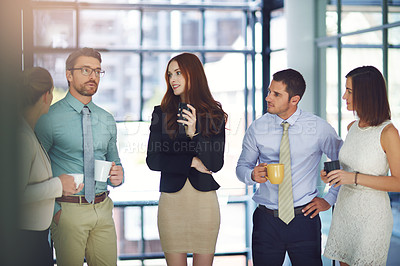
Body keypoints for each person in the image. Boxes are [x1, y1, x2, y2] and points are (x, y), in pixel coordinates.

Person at [236, 68, 343, 265]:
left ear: (294, 99)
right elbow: (242, 166)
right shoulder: (257, 128)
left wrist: (329, 199)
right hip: (266, 221)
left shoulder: (319, 128)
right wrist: (251, 175)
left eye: (276, 94)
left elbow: (341, 165)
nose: (268, 97)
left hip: (305, 219)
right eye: (269, 91)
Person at [35, 48, 124, 266]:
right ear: (69, 74)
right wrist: (57, 213)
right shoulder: (49, 118)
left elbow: (116, 163)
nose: (92, 76)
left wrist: (119, 175)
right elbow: (35, 170)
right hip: (68, 211)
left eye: (97, 71)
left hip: (103, 210)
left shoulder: (106, 119)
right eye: (85, 70)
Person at [146, 52, 227, 266]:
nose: (173, 79)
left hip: (204, 203)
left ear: (194, 74)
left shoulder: (215, 114)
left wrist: (194, 133)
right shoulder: (160, 113)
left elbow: (215, 164)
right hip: (171, 202)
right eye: (170, 74)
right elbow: (153, 160)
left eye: (179, 73)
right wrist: (191, 162)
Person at [322, 66, 400, 266]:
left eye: (349, 91)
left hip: (372, 218)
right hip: (345, 212)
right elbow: (350, 169)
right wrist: (335, 175)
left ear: (366, 93)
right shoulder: (352, 128)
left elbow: (398, 183)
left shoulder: (388, 132)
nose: (343, 96)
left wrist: (353, 177)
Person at [18, 67, 84, 266]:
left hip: (34, 237)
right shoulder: (21, 137)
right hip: (25, 242)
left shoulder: (28, 132)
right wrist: (58, 185)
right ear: (47, 95)